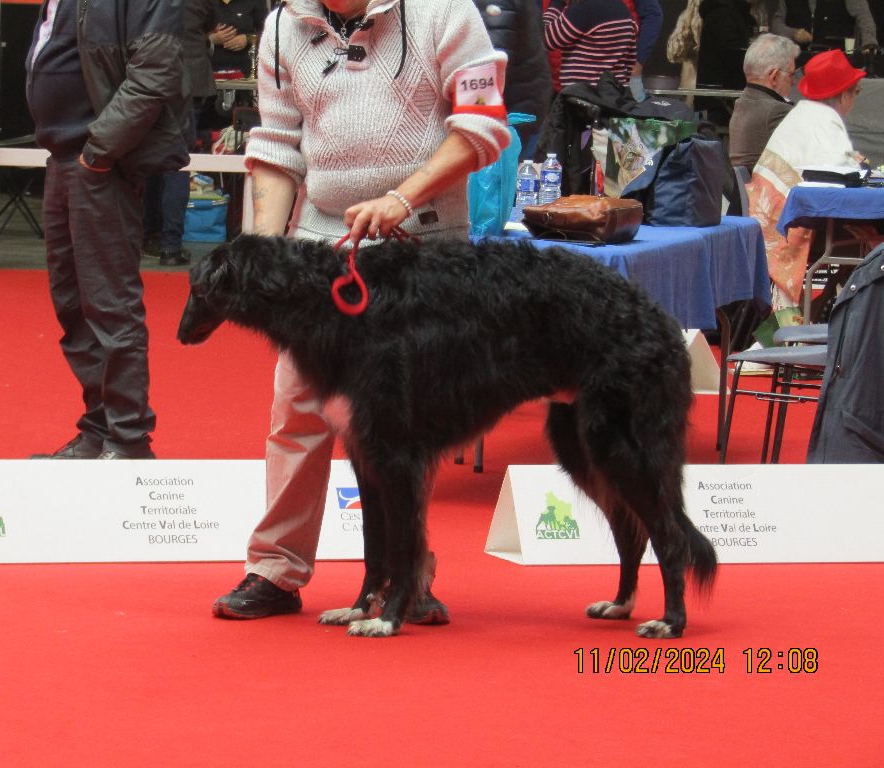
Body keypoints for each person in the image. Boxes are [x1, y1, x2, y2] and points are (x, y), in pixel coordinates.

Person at [212, 0, 510, 620]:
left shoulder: (445, 13)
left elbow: (481, 128)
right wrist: (268, 254)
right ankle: (275, 569)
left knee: (404, 425)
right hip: (322, 243)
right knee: (297, 407)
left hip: (421, 240)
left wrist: (402, 197)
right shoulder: (280, 28)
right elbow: (275, 143)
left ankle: (407, 575)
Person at [25, 0, 192, 459]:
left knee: (108, 306)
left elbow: (154, 73)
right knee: (74, 306)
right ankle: (101, 429)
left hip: (97, 159)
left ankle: (127, 438)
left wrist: (99, 151)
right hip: (69, 156)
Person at [748, 48, 875, 315]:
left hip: (771, 217)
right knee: (874, 237)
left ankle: (829, 306)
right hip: (788, 223)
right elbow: (840, 178)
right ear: (843, 94)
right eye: (856, 92)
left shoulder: (806, 113)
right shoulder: (823, 120)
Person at [143, 0, 219, 268]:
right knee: (178, 162)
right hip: (191, 78)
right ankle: (170, 246)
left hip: (151, 78)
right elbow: (210, 19)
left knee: (151, 158)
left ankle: (150, 235)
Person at [473, 0, 552, 158]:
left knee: (505, 178)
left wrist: (471, 122)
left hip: (513, 113)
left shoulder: (494, 3)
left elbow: (492, 66)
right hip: (524, 104)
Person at [729, 32, 801, 170]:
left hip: (746, 187)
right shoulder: (777, 110)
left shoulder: (743, 102)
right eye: (791, 74)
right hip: (767, 188)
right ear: (774, 76)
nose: (793, 82)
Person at [543, 0, 639, 88]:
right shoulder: (623, 10)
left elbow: (544, 40)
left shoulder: (584, 8)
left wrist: (557, 4)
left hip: (582, 97)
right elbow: (630, 62)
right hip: (615, 96)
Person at [772, 0, 878, 52]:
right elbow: (776, 23)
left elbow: (864, 17)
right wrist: (793, 33)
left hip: (835, 60)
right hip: (797, 62)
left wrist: (869, 44)